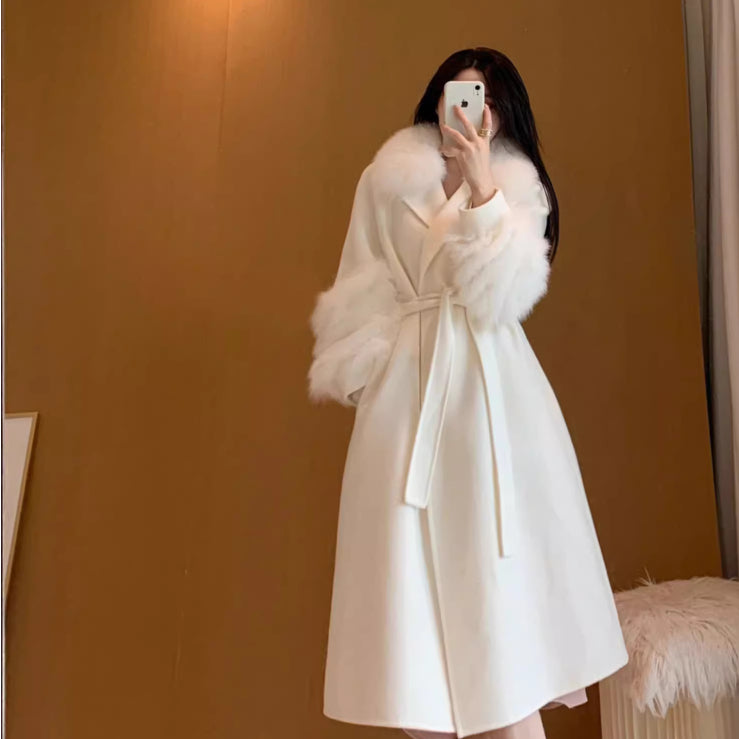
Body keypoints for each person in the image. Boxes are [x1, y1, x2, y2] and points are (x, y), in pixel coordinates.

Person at [307, 47, 629, 739]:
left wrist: (483, 190)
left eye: (486, 101)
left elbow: (508, 296)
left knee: (501, 621)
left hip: (493, 402)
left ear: (502, 114)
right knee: (410, 639)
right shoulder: (384, 179)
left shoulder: (517, 187)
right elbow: (358, 283)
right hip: (405, 401)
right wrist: (369, 375)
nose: (470, 112)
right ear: (437, 100)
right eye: (458, 94)